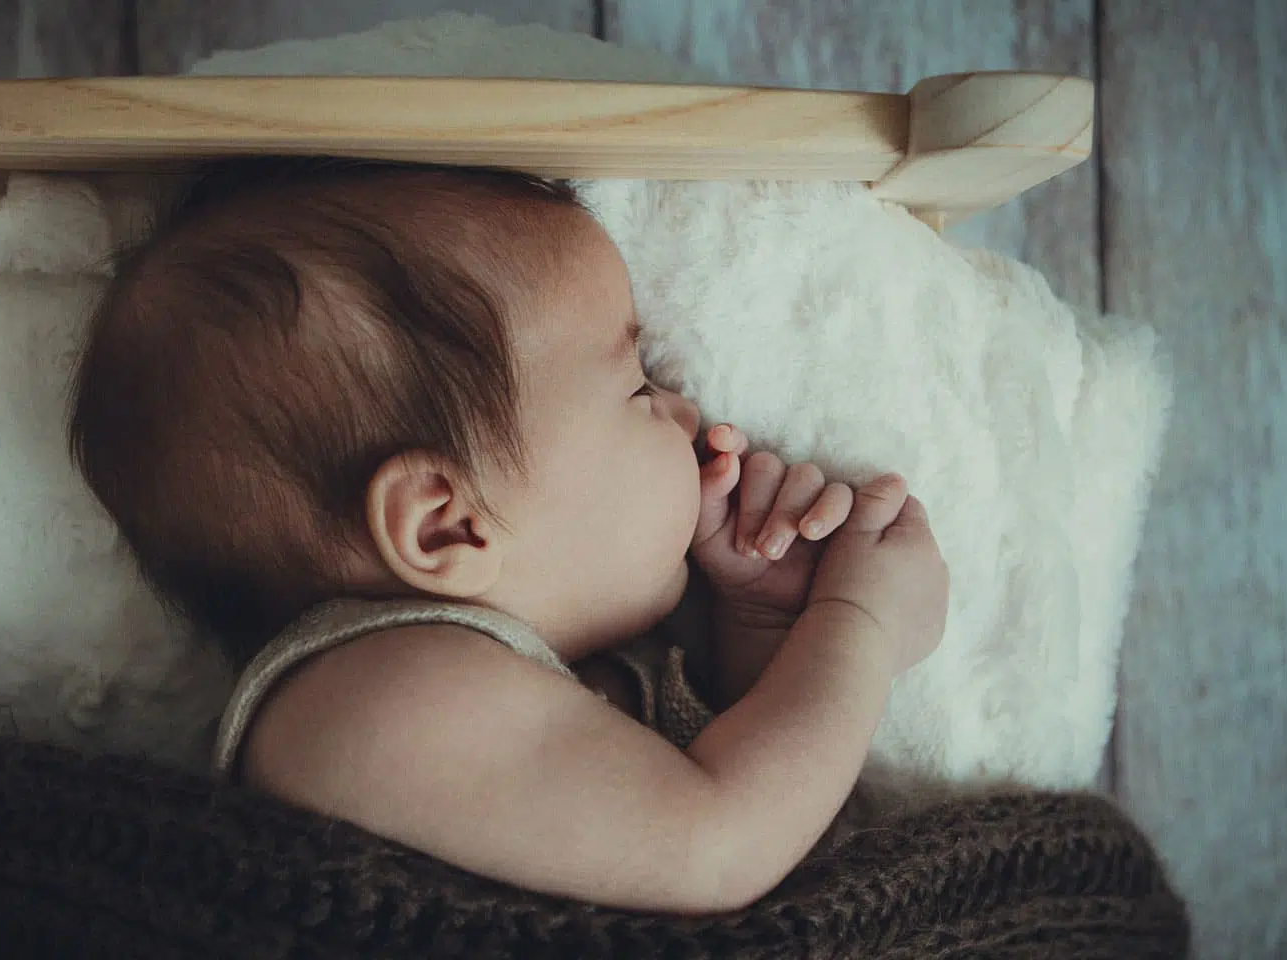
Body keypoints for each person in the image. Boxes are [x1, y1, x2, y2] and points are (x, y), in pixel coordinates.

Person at [71, 157, 948, 914]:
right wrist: (857, 630)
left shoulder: (531, 676)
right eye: (637, 388)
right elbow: (716, 847)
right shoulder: (379, 699)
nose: (686, 409)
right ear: (447, 523)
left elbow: (774, 836)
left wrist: (763, 624)